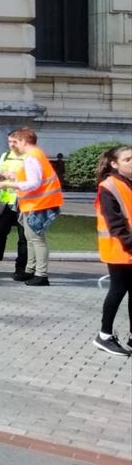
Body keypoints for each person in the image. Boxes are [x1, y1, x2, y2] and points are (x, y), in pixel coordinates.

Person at [0, 127, 63, 286]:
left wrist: (9, 183)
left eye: (15, 142)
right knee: (31, 238)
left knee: (36, 239)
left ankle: (41, 274)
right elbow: (35, 179)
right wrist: (15, 177)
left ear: (23, 141)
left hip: (38, 203)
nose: (13, 145)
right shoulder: (36, 155)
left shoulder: (32, 157)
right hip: (37, 202)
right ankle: (31, 270)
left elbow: (34, 183)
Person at [94, 146, 132, 356]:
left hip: (128, 246)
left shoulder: (129, 183)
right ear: (115, 164)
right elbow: (115, 224)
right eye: (128, 159)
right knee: (117, 291)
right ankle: (104, 335)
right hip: (119, 248)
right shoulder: (109, 186)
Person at [0, 132, 30, 279]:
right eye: (9, 142)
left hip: (23, 202)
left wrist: (13, 176)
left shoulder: (28, 157)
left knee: (23, 237)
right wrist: (2, 174)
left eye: (14, 142)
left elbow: (32, 179)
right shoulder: (5, 156)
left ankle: (21, 267)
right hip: (6, 201)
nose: (12, 145)